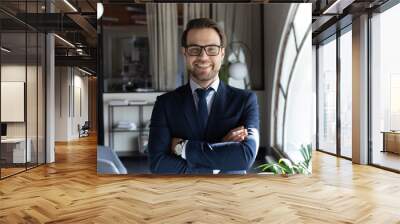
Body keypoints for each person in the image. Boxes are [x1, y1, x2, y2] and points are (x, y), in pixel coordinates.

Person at [148, 18, 259, 174]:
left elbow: (245, 157)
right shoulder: (165, 103)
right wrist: (219, 154)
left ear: (222, 53)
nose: (203, 57)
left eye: (212, 49)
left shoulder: (246, 101)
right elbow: (158, 164)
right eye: (195, 49)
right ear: (184, 52)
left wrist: (182, 147)